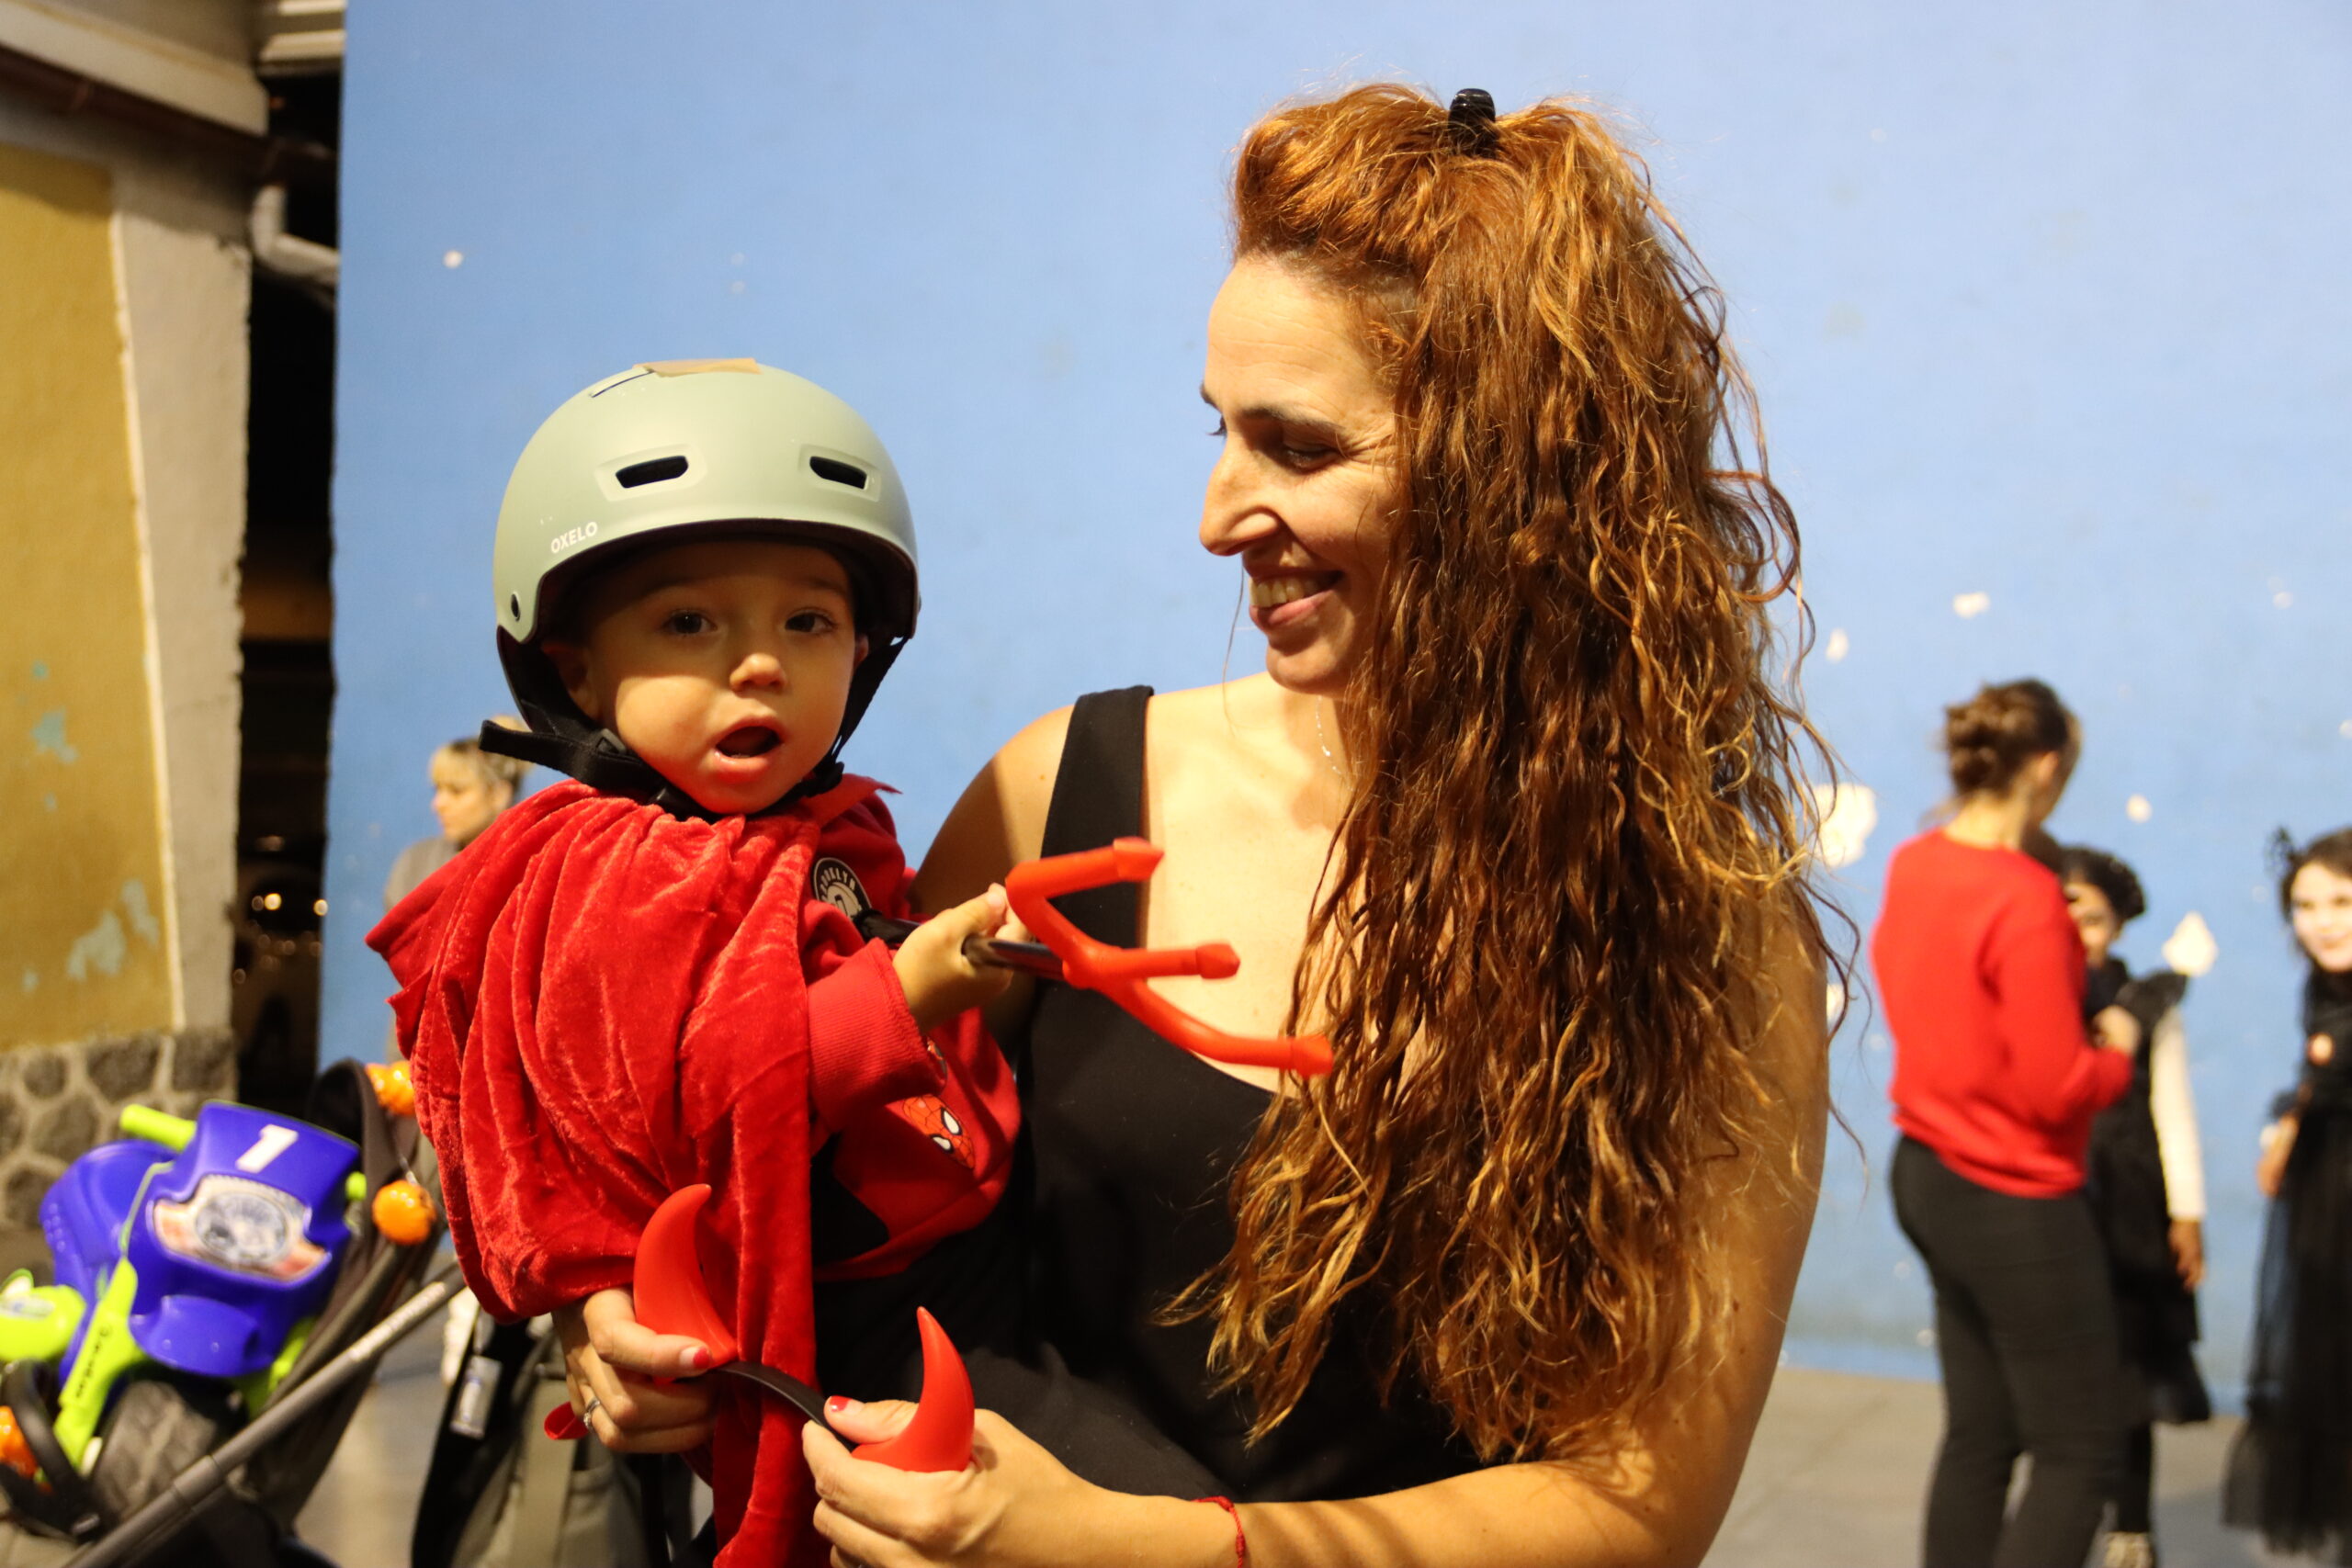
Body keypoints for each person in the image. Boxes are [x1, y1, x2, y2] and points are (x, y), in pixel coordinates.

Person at [571, 85, 1833, 1567]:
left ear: (1515, 471)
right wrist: (640, 1314)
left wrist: (1122, 1544)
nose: (1219, 514)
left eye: (1298, 448)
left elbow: (1640, 1501)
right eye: (1222, 432)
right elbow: (829, 1182)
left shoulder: (1702, 934)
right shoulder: (1063, 791)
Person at [369, 360, 1027, 1568]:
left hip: (935, 1283)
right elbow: (697, 1098)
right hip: (791, 1334)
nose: (760, 662)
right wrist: (902, 996)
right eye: (689, 622)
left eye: (808, 621)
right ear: (576, 668)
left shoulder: (837, 834)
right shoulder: (609, 872)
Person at [1873, 678, 2139, 1568]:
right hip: (2012, 1193)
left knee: (1981, 1435)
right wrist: (2121, 1050)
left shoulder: (1915, 861)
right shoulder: (2025, 897)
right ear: (2047, 767)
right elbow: (2056, 1087)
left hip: (1928, 1169)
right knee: (2080, 1449)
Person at [2060, 843, 2210, 1568]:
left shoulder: (2149, 1003)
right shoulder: (2036, 992)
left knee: (2131, 1377)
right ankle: (2062, 1517)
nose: (2076, 931)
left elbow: (2173, 1110)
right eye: (2062, 914)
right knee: (2064, 1372)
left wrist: (2187, 1213)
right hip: (2059, 1202)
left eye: (2092, 918)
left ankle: (2132, 1527)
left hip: (2131, 1208)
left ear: (2118, 925)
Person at [2224, 827, 2352, 1560]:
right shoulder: (2324, 983)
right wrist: (2290, 1128)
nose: (2322, 921)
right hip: (2329, 1200)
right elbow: (2318, 1075)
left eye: (2341, 900)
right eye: (2305, 905)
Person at [381, 728, 531, 910]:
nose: (438, 804)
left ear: (499, 795)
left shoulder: (528, 867)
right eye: (438, 789)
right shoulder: (415, 864)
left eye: (456, 791)